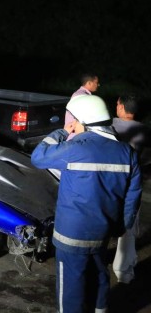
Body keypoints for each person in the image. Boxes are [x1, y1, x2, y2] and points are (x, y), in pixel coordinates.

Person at [31, 95, 142, 313]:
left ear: (85, 121)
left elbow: (38, 157)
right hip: (103, 232)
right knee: (99, 275)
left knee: (71, 286)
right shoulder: (127, 153)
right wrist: (121, 226)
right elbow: (132, 197)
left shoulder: (76, 148)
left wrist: (63, 131)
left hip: (71, 235)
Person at [112, 94, 149, 284]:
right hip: (132, 185)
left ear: (121, 107)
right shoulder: (144, 131)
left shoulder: (110, 126)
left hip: (109, 184)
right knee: (128, 226)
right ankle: (123, 270)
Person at [65, 74, 100, 140]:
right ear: (89, 83)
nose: (98, 85)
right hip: (76, 138)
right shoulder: (81, 96)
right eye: (96, 83)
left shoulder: (80, 94)